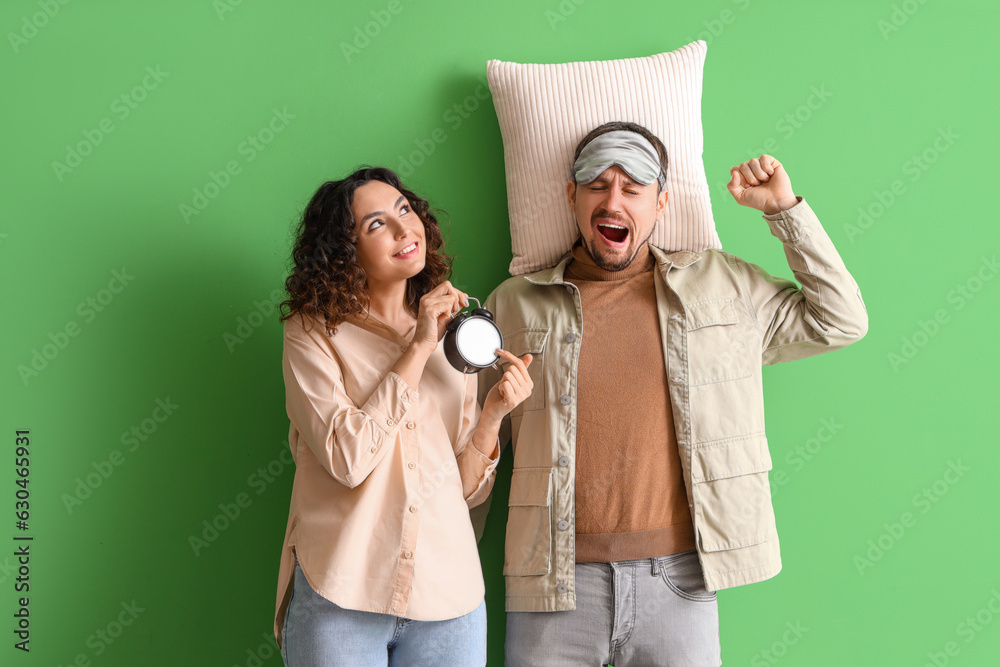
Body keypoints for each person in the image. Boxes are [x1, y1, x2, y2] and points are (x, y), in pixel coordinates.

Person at [478, 122, 868, 666]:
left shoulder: (722, 285)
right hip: (550, 583)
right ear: (571, 195)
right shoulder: (513, 304)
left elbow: (841, 320)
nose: (613, 200)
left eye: (633, 188)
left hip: (681, 579)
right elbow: (463, 440)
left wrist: (783, 210)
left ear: (661, 203)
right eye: (597, 185)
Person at [272, 166, 533, 666]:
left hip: (449, 598)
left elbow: (460, 491)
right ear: (344, 251)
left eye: (404, 211)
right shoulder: (311, 333)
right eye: (375, 225)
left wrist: (492, 416)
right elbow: (347, 459)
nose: (402, 230)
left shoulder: (457, 332)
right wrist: (417, 347)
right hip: (342, 592)